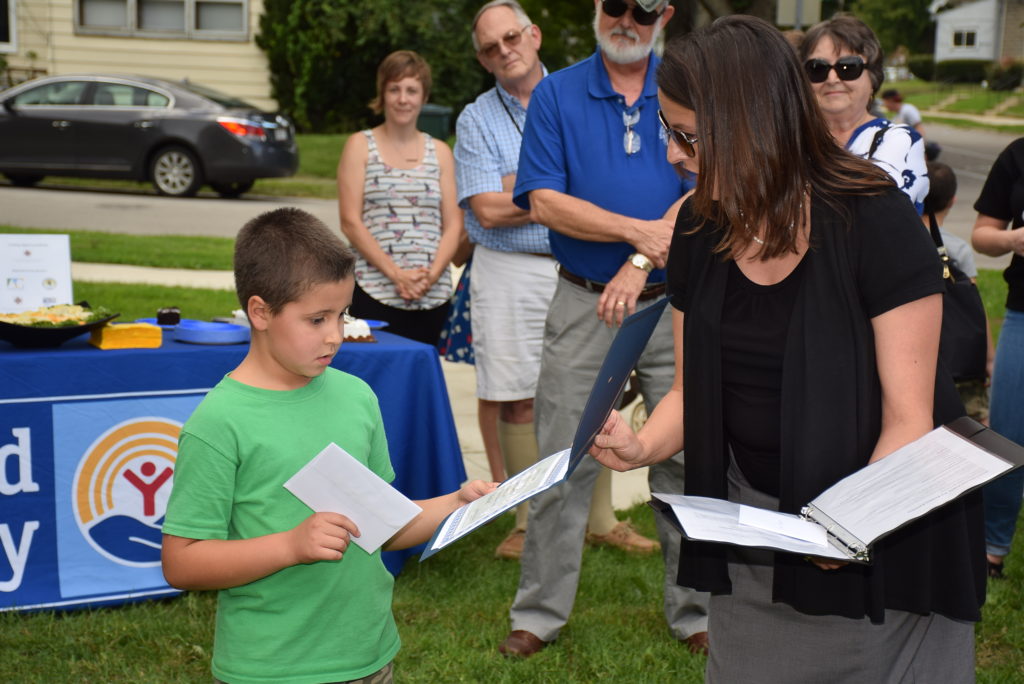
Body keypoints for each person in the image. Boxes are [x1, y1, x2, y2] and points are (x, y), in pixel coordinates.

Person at [591, 16, 985, 682]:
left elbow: (909, 420)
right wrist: (641, 446)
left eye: (688, 136)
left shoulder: (875, 219)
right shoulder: (697, 226)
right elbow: (691, 391)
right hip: (759, 531)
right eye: (669, 131)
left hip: (878, 527)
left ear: (754, 127)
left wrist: (850, 522)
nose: (674, 155)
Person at [161, 207, 495, 684]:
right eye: (316, 319)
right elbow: (182, 562)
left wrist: (456, 503)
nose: (336, 335)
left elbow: (383, 525)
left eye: (343, 315)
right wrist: (291, 545)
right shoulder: (220, 422)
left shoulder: (356, 396)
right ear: (260, 312)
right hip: (271, 668)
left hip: (370, 656)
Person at [497, 0, 710, 659]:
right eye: (615, 5)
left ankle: (697, 612)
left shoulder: (683, 84)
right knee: (563, 457)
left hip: (678, 301)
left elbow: (712, 181)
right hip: (585, 300)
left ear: (665, 14)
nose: (628, 19)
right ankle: (538, 613)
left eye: (642, 9)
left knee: (684, 458)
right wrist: (634, 235)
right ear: (596, 9)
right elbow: (541, 199)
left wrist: (644, 258)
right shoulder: (558, 92)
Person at [456, 0, 650, 561]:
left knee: (601, 395)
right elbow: (487, 211)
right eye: (491, 47)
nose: (504, 51)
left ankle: (601, 518)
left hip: (589, 270)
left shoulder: (576, 93)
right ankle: (522, 518)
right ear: (482, 59)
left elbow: (556, 191)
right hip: (509, 272)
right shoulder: (476, 118)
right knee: (516, 397)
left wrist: (541, 188)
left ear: (534, 35)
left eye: (512, 37)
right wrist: (556, 192)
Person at [338, 50, 463, 346]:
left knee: (420, 382)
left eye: (411, 90)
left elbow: (454, 226)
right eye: (394, 89)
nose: (403, 99)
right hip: (373, 291)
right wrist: (397, 275)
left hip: (431, 295)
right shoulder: (360, 146)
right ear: (382, 94)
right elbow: (350, 222)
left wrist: (429, 277)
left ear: (424, 96)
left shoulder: (441, 152)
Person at [800, 15, 929, 214]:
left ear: (873, 78)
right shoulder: (791, 139)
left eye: (848, 67)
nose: (832, 78)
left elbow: (874, 215)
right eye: (818, 68)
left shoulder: (899, 140)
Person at [972, 137, 1024, 580]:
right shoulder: (1017, 155)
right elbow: (982, 236)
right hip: (1023, 313)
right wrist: (1014, 239)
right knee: (1008, 434)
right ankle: (992, 545)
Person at [924, 160, 993, 425]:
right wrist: (989, 358)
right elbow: (972, 305)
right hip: (957, 363)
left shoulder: (900, 240)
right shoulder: (958, 249)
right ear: (952, 201)